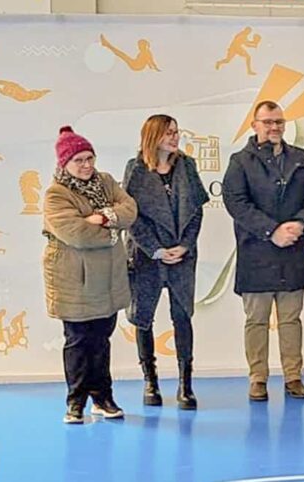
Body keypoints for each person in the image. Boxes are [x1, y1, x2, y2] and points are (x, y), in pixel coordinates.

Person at [222, 100, 304, 401]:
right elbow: (236, 203)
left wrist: (301, 224)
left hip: (293, 251)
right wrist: (272, 231)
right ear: (254, 125)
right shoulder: (240, 162)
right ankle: (258, 378)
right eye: (267, 122)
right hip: (256, 252)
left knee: (291, 320)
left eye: (279, 122)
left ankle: (293, 376)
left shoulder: (301, 158)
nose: (274, 127)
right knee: (256, 320)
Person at [42, 126, 138, 423]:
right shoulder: (56, 195)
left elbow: (130, 209)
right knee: (78, 341)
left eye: (89, 158)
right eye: (78, 160)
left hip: (108, 279)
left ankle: (103, 397)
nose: (86, 165)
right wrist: (112, 230)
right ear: (64, 163)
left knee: (101, 339)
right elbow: (78, 234)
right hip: (74, 280)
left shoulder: (106, 181)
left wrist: (102, 217)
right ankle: (75, 401)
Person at [124, 115, 209, 409]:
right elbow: (131, 216)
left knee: (182, 316)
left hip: (182, 255)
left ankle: (186, 384)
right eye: (168, 132)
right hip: (146, 256)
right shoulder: (136, 169)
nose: (174, 137)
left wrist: (185, 245)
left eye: (176, 132)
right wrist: (156, 249)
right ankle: (150, 381)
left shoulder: (187, 166)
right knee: (143, 317)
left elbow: (196, 211)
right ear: (153, 136)